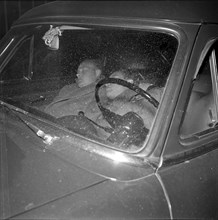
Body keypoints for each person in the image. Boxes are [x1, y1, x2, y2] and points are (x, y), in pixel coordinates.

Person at [94, 69, 164, 138]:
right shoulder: (104, 102)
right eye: (108, 80)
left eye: (113, 79)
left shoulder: (149, 98)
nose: (107, 84)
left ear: (129, 82)